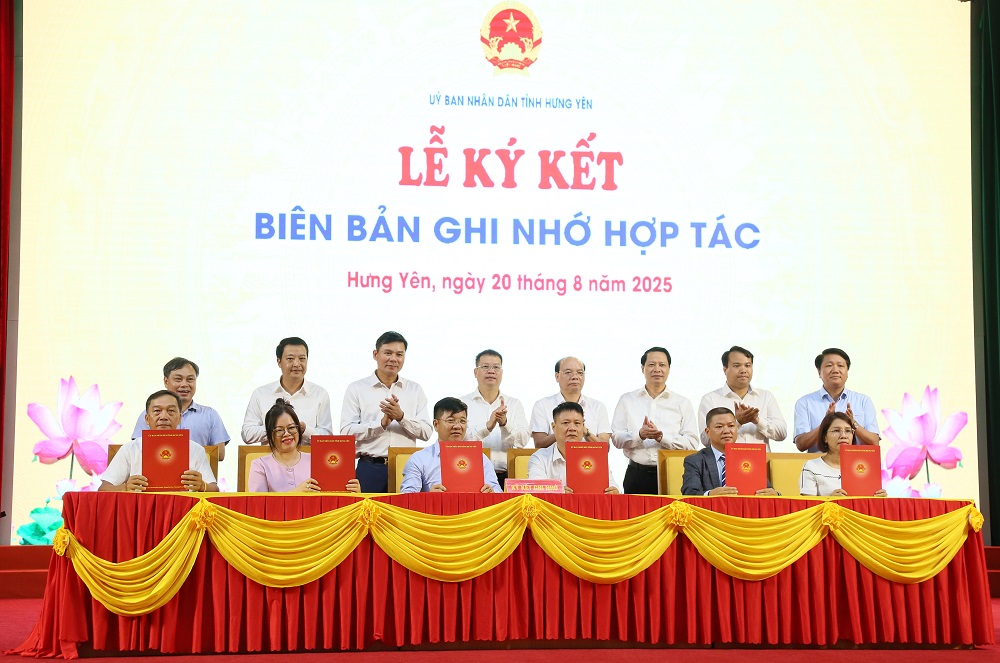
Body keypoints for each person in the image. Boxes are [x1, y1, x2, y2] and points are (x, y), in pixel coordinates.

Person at [341, 331, 433, 492]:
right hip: (370, 468)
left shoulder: (415, 389)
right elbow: (346, 432)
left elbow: (426, 432)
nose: (393, 359)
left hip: (407, 467)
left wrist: (401, 417)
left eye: (399, 354)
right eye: (388, 353)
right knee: (366, 509)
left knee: (405, 509)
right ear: (375, 354)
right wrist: (381, 424)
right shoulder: (356, 389)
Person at [612, 346, 699, 494]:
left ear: (669, 369)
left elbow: (692, 443)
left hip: (674, 473)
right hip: (637, 474)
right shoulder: (627, 400)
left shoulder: (682, 402)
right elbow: (616, 439)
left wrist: (662, 438)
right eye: (651, 365)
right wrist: (640, 435)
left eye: (662, 365)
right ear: (643, 368)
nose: (657, 369)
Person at [100, 390, 218, 492]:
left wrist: (202, 486)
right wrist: (125, 487)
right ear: (147, 419)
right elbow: (103, 489)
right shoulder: (130, 449)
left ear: (180, 418)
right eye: (157, 411)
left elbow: (214, 489)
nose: (164, 417)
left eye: (171, 411)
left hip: (184, 508)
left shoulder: (196, 449)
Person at [248, 399, 361, 493]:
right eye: (279, 430)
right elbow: (259, 505)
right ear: (269, 434)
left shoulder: (318, 461)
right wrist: (296, 493)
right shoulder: (260, 465)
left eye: (291, 427)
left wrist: (355, 494)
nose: (287, 434)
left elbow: (332, 499)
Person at [130, 357, 230, 459]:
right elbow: (136, 451)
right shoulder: (150, 415)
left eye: (190, 379)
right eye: (178, 379)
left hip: (198, 469)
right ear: (166, 381)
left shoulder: (210, 414)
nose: (184, 384)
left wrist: (185, 457)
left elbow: (219, 454)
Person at [242, 337, 334, 445]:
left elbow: (327, 437)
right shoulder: (261, 394)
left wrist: (305, 430)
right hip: (271, 456)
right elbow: (247, 434)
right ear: (279, 362)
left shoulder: (320, 394)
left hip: (308, 455)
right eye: (290, 359)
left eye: (302, 358)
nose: (297, 364)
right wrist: (275, 428)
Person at [400, 397, 502, 493]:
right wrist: (429, 497)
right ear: (436, 424)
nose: (457, 426)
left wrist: (491, 492)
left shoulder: (480, 458)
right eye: (450, 420)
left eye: (462, 421)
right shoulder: (419, 459)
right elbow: (407, 496)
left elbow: (498, 492)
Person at [461, 349, 530, 488]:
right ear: (475, 372)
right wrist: (486, 427)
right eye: (485, 367)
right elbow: (457, 440)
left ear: (502, 373)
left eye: (496, 367)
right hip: (471, 474)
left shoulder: (514, 404)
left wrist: (505, 423)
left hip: (508, 475)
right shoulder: (462, 404)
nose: (491, 371)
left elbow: (523, 441)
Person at [697, 346, 787, 449]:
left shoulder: (766, 396)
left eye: (747, 365)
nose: (743, 370)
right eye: (737, 366)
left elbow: (782, 434)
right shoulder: (710, 399)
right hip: (726, 459)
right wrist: (737, 422)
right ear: (725, 369)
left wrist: (757, 421)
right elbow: (706, 440)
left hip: (761, 458)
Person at [793, 348, 880, 452]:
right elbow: (801, 444)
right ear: (819, 372)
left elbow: (874, 442)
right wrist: (825, 423)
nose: (835, 370)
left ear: (847, 372)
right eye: (829, 365)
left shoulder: (863, 401)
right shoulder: (805, 403)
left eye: (840, 365)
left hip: (855, 461)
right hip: (818, 461)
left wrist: (853, 423)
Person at [681, 407, 779, 496]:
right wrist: (710, 494)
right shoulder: (695, 461)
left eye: (731, 426)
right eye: (719, 427)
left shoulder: (751, 457)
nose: (726, 431)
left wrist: (776, 494)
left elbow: (767, 490)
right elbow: (690, 493)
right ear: (708, 432)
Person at [528, 401, 620, 493]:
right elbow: (536, 490)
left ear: (583, 426)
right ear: (554, 426)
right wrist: (557, 491)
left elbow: (613, 487)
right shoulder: (539, 458)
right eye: (566, 423)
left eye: (577, 423)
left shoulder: (596, 457)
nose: (572, 428)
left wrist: (614, 492)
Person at [799, 411, 888, 497]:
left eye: (848, 431)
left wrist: (880, 499)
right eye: (836, 430)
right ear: (825, 437)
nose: (843, 436)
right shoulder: (811, 467)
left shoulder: (864, 467)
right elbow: (808, 505)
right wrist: (830, 500)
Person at [530, 356, 611, 448]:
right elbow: (539, 444)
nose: (575, 377)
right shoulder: (542, 405)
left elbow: (605, 447)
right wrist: (562, 431)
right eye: (568, 372)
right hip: (554, 457)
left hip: (588, 457)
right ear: (557, 376)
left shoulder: (598, 407)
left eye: (580, 373)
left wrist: (585, 432)